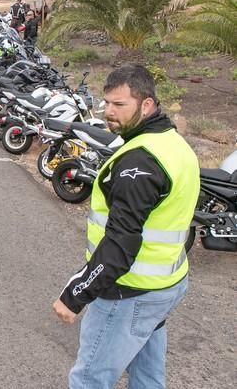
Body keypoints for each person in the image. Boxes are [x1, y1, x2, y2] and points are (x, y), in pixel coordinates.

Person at [53, 65, 200, 389]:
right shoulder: (171, 142)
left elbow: (121, 244)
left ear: (146, 105)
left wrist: (76, 293)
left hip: (129, 291)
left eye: (119, 105)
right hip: (167, 283)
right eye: (106, 103)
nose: (108, 112)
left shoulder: (140, 161)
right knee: (147, 376)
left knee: (90, 378)